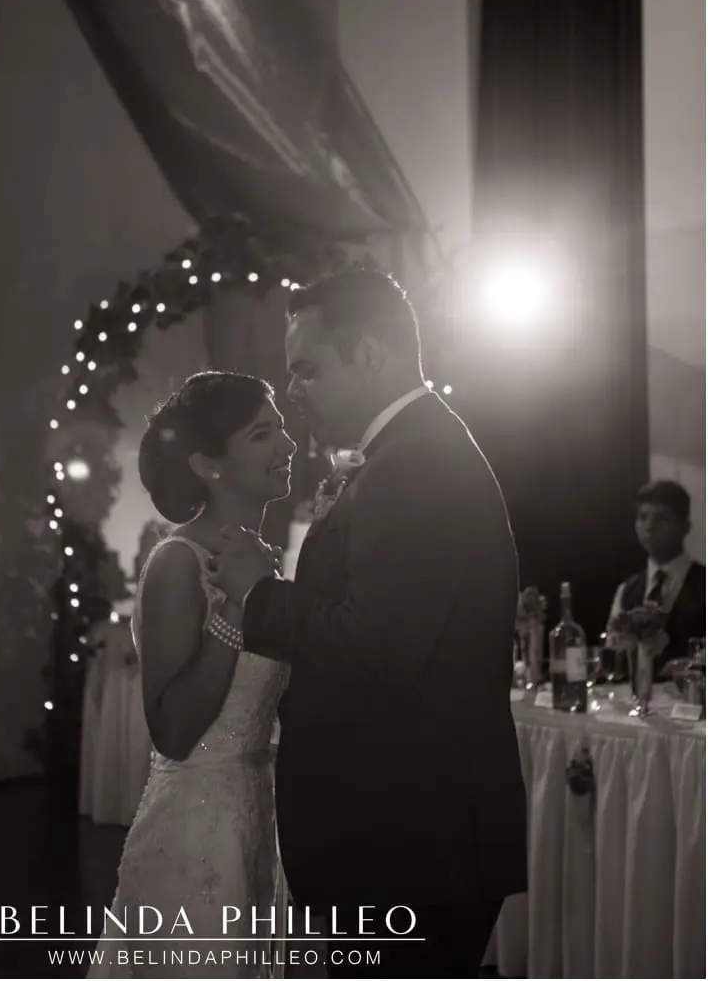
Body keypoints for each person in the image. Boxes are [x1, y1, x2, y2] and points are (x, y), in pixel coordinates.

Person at [212, 269, 528, 979]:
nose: (293, 390)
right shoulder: (407, 453)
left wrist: (258, 594)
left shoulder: (416, 464)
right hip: (405, 825)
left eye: (308, 369)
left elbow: (374, 645)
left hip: (408, 834)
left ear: (370, 355)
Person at [91, 372, 295, 978]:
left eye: (280, 427)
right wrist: (236, 607)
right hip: (194, 830)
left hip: (256, 822)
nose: (287, 446)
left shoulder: (257, 558)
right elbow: (172, 731)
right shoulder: (178, 564)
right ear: (209, 463)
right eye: (263, 434)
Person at [607, 480, 705, 669]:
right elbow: (613, 653)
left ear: (685, 527)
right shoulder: (627, 590)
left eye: (661, 518)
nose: (649, 527)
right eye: (643, 517)